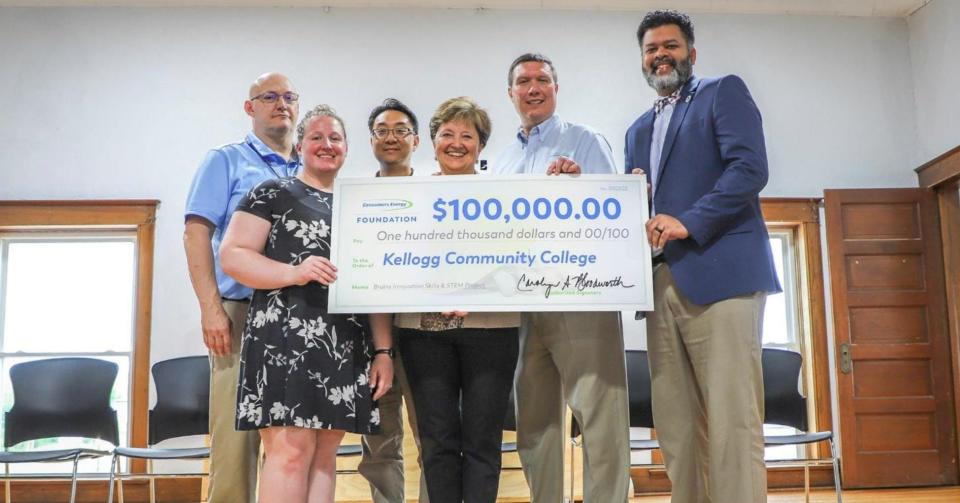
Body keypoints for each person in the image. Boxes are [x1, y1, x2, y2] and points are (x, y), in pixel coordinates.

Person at [626, 10, 782, 503]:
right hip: (659, 282)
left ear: (691, 53)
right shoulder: (635, 130)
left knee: (733, 421)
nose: (660, 55)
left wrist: (689, 220)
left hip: (723, 278)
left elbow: (749, 168)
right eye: (651, 49)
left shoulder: (722, 92)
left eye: (670, 46)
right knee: (676, 427)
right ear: (643, 61)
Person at [220, 105, 395, 503]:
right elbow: (233, 255)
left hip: (345, 341)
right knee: (291, 451)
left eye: (335, 138)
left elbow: (376, 285)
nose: (326, 145)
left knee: (325, 455)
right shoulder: (271, 193)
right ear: (300, 145)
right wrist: (293, 272)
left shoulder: (360, 205)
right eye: (316, 137)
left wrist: (383, 350)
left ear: (347, 148)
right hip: (283, 339)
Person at [493, 54, 630, 502]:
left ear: (556, 87)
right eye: (523, 81)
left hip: (580, 298)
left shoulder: (584, 140)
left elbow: (615, 214)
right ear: (510, 92)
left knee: (598, 416)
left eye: (543, 80)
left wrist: (581, 183)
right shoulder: (503, 159)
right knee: (535, 422)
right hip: (522, 301)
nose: (533, 87)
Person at [395, 96, 521, 503]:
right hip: (422, 333)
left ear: (480, 146)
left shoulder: (504, 195)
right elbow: (396, 260)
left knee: (484, 442)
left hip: (491, 331)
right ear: (431, 142)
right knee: (437, 441)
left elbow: (521, 259)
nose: (456, 142)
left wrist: (478, 291)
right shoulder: (409, 194)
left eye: (467, 135)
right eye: (447, 134)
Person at [183, 72, 300, 503]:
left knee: (292, 437)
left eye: (289, 97)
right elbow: (196, 232)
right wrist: (210, 308)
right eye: (269, 97)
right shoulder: (226, 160)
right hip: (240, 311)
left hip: (300, 316)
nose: (281, 104)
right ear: (250, 108)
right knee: (236, 435)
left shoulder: (309, 166)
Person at [359, 98, 430, 503]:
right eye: (382, 130)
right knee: (380, 442)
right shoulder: (356, 199)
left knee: (432, 438)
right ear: (371, 141)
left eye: (400, 130)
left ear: (416, 140)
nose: (391, 137)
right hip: (371, 341)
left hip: (429, 334)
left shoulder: (434, 194)